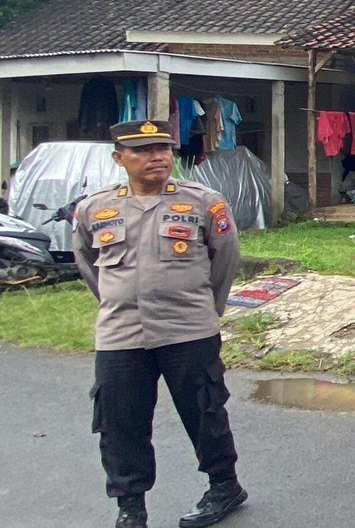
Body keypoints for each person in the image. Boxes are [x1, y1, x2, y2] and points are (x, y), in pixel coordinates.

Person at [71, 120, 244, 528]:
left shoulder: (203, 201)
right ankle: (130, 504)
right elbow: (88, 264)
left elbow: (226, 259)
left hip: (188, 328)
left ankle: (224, 486)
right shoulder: (94, 208)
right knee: (119, 422)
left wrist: (202, 308)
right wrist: (120, 301)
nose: (157, 157)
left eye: (163, 148)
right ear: (119, 158)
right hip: (121, 333)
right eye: (144, 150)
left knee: (204, 411)